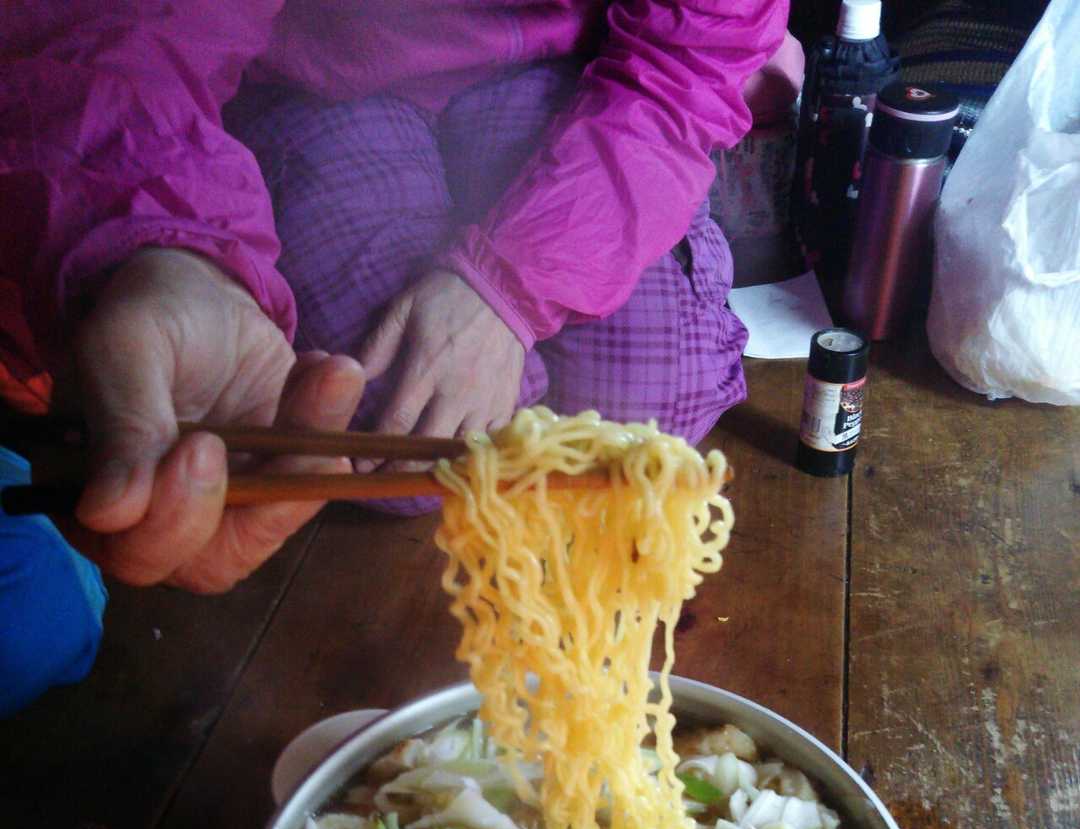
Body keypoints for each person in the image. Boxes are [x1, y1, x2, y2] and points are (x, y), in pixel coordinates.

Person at [0, 2, 797, 597]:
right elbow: (130, 22)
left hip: (576, 71)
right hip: (324, 75)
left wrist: (508, 288)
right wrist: (158, 247)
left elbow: (692, 58)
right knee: (389, 426)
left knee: (648, 407)